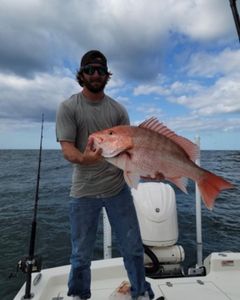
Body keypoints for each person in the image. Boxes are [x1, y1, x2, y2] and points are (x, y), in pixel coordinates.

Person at [56, 50, 154, 300]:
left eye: (100, 70)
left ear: (107, 75)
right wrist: (83, 159)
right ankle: (78, 294)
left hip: (117, 190)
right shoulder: (69, 107)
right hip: (83, 192)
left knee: (132, 248)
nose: (95, 74)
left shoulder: (118, 110)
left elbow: (132, 151)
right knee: (80, 254)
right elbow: (67, 149)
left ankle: (140, 292)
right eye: (90, 69)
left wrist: (149, 168)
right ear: (82, 74)